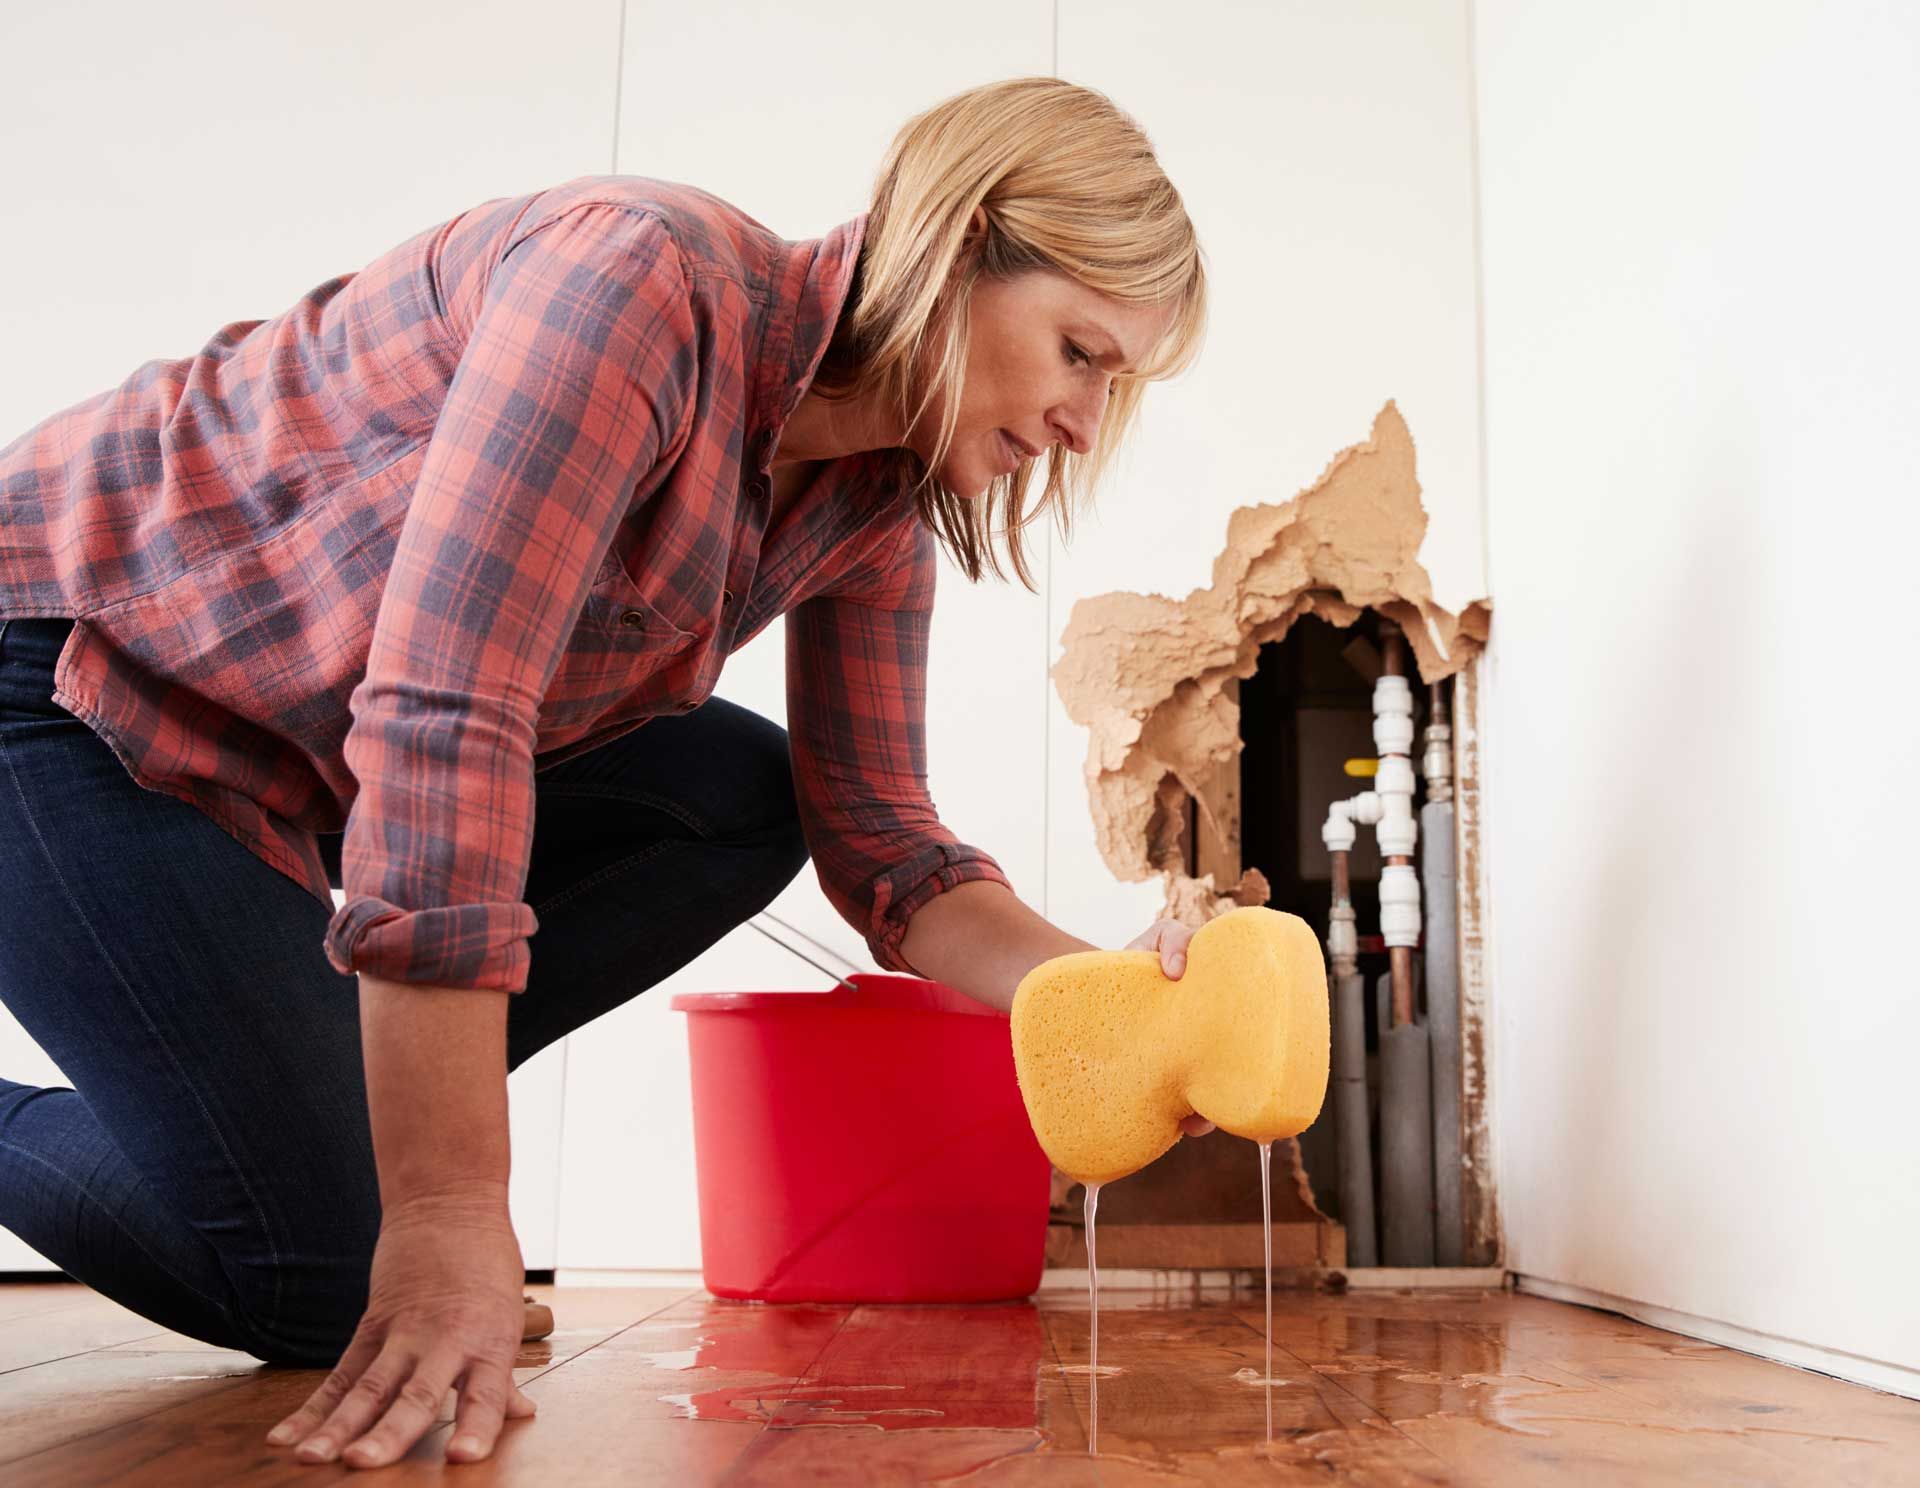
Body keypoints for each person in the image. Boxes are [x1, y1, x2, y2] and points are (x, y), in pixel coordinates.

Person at [0, 76, 1212, 1468]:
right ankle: (360, 1170)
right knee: (322, 1279)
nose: (1081, 421)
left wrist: (1109, 1000)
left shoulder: (873, 509)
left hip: (289, 770)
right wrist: (454, 1214)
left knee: (741, 798)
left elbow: (882, 845)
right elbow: (446, 713)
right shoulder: (640, 281)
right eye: (1081, 352)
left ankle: (348, 1129)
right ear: (963, 241)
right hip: (71, 680)